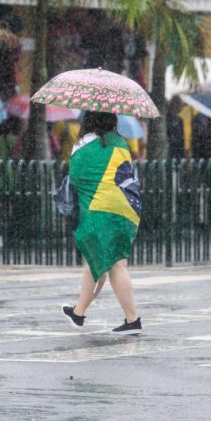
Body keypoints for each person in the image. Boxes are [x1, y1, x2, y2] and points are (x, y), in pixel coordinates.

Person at [62, 111, 143, 335]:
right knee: (97, 263)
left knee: (114, 265)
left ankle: (132, 319)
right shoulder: (121, 143)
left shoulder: (84, 143)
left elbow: (76, 176)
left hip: (100, 210)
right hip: (126, 208)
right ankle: (78, 313)